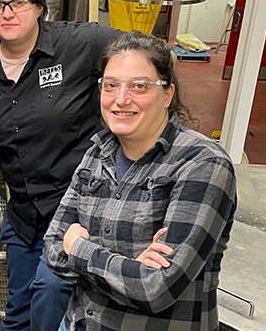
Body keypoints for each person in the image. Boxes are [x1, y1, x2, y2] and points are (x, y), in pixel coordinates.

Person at [0, 0, 120, 331]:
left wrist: (126, 109)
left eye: (19, 2)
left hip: (76, 206)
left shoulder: (79, 44)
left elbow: (148, 55)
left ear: (40, 6)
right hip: (24, 212)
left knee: (51, 291)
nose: (7, 12)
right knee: (19, 308)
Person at [44, 30, 237, 330]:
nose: (121, 99)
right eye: (111, 86)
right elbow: (54, 246)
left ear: (167, 94)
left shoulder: (202, 164)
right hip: (81, 322)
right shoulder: (98, 152)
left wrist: (80, 247)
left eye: (139, 86)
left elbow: (156, 289)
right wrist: (131, 265)